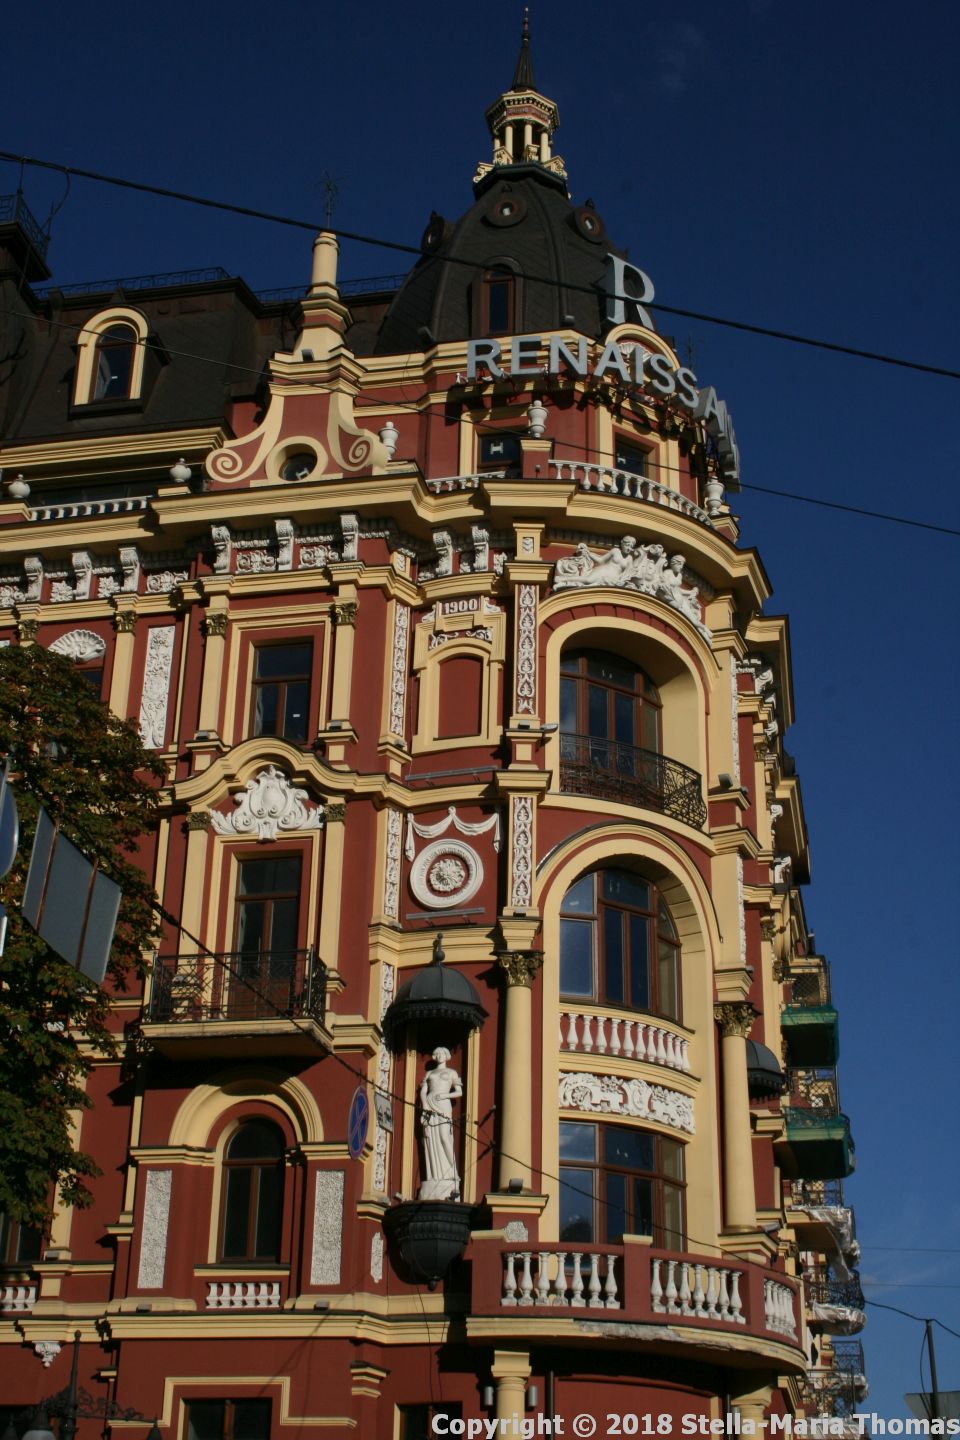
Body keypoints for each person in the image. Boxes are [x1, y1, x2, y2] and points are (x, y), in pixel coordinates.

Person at [418, 1047, 463, 1200]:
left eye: (442, 1053)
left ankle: (453, 1171)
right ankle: (434, 1175)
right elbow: (423, 1091)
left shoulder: (451, 1072)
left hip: (443, 1105)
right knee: (430, 1139)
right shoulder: (429, 1073)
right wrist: (424, 1104)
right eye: (437, 1054)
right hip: (429, 1104)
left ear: (447, 1055)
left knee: (444, 1137)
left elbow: (459, 1092)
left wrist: (444, 1096)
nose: (439, 1056)